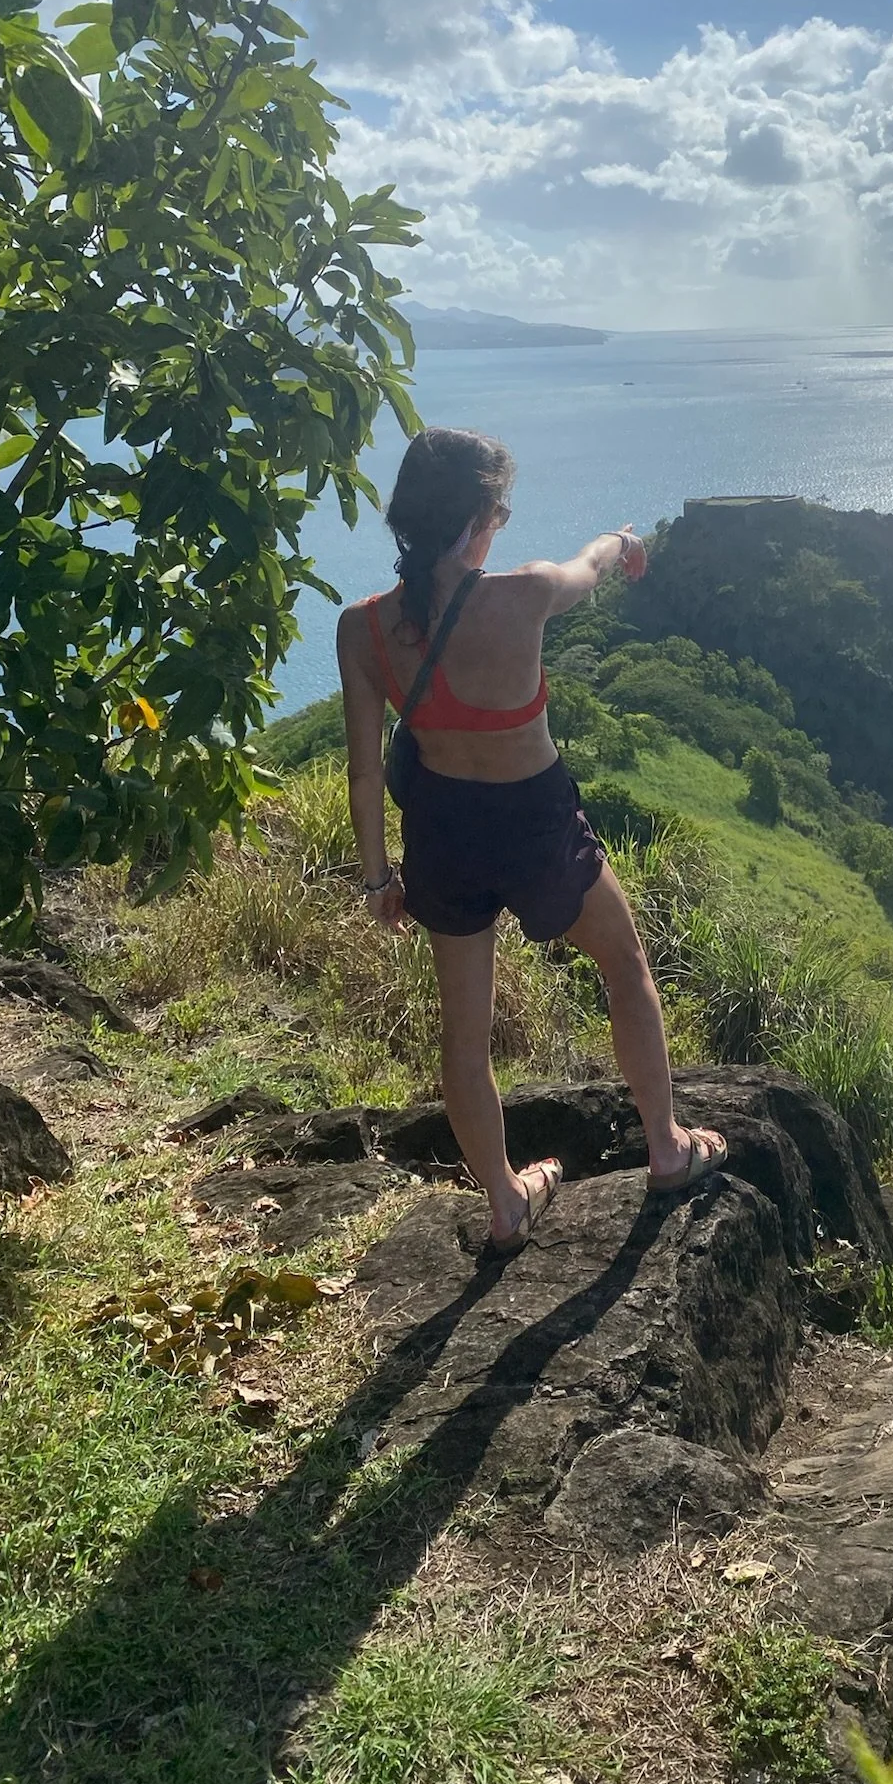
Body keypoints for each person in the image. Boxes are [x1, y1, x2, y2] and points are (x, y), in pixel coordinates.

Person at [337, 426, 727, 1254]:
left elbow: (365, 772)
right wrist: (625, 541)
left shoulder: (361, 629)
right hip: (536, 823)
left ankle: (507, 1203)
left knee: (463, 1035)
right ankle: (666, 1147)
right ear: (478, 519)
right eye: (500, 511)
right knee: (624, 962)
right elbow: (591, 567)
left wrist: (378, 880)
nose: (504, 525)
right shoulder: (522, 595)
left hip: (440, 834)